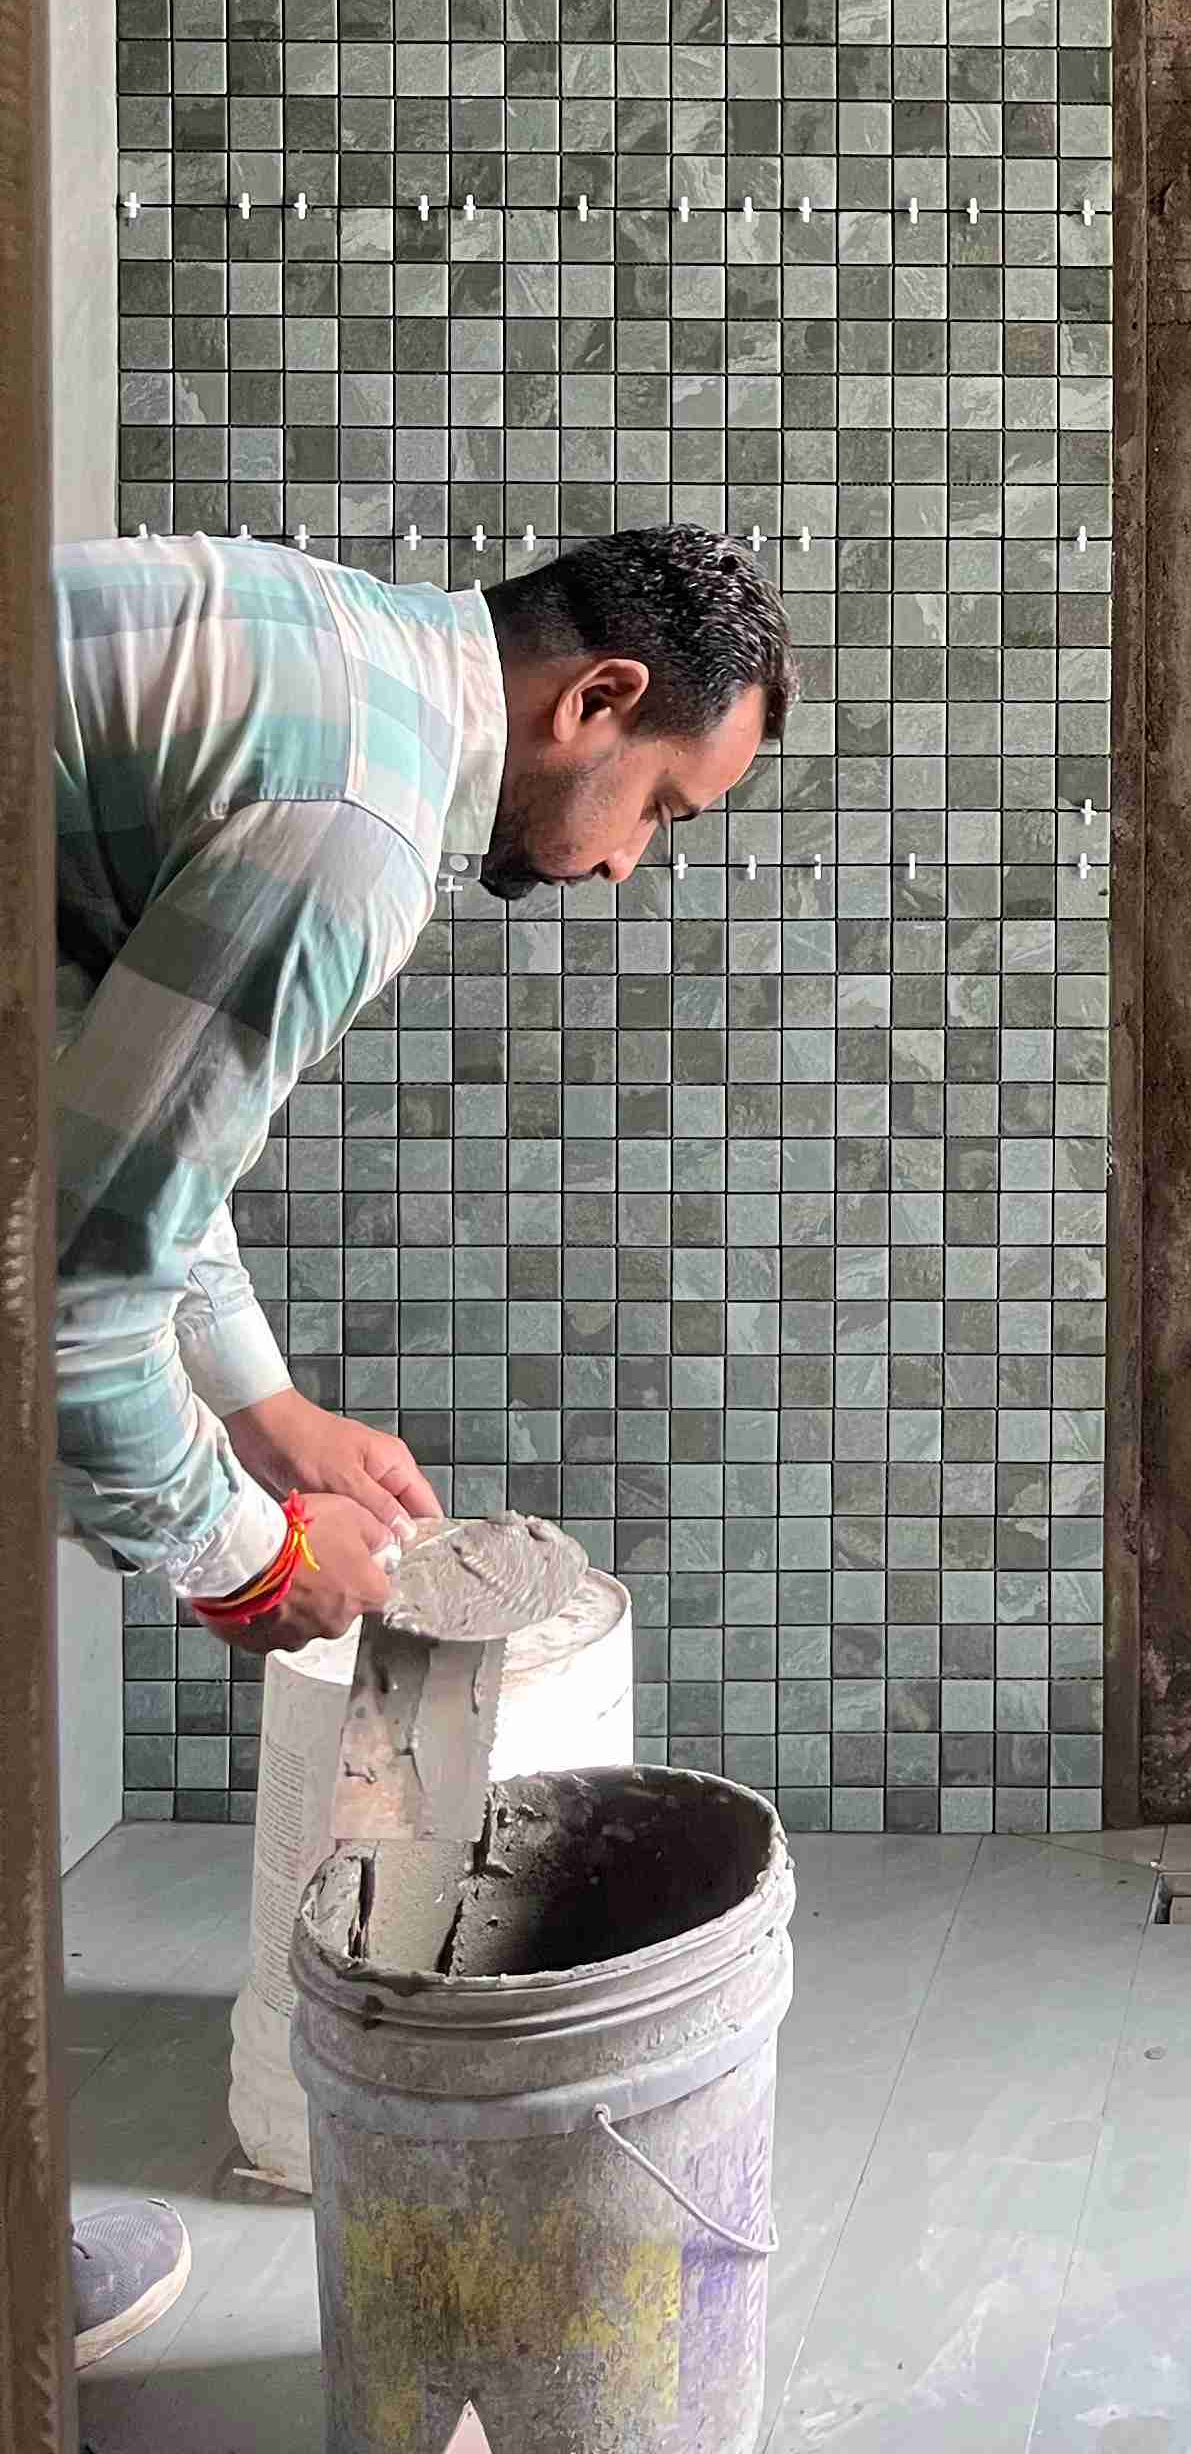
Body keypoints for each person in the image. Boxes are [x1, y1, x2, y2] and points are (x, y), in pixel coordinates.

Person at [52, 519, 790, 2372]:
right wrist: (248, 1559)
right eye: (661, 809)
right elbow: (61, 1296)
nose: (624, 867)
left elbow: (107, 1127)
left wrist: (263, 1407)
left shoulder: (338, 656)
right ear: (595, 701)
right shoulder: (358, 835)